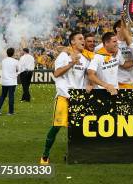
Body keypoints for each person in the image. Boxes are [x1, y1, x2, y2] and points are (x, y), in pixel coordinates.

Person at [40, 32, 93, 165]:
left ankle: (72, 154)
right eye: (80, 39)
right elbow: (56, 73)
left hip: (77, 98)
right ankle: (45, 155)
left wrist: (89, 84)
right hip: (63, 96)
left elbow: (87, 77)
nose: (83, 41)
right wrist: (71, 63)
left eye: (83, 39)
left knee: (77, 128)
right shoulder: (64, 56)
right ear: (72, 42)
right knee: (56, 127)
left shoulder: (86, 59)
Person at [0, 48, 19, 115]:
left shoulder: (3, 61)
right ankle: (10, 111)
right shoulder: (15, 61)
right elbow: (19, 69)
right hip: (12, 81)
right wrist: (16, 74)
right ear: (13, 53)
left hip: (4, 81)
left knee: (3, 95)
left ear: (7, 53)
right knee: (11, 96)